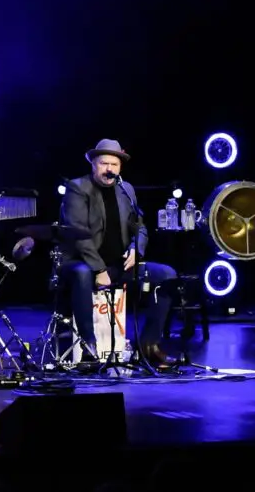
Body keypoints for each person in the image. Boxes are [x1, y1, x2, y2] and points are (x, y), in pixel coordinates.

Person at [57, 139, 177, 369]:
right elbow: (78, 234)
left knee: (166, 275)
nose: (109, 169)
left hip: (118, 265)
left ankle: (148, 345)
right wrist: (99, 269)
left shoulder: (126, 189)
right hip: (81, 263)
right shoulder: (77, 188)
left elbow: (140, 227)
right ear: (93, 164)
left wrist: (135, 248)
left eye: (114, 164)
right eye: (104, 163)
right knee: (82, 273)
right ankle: (89, 346)